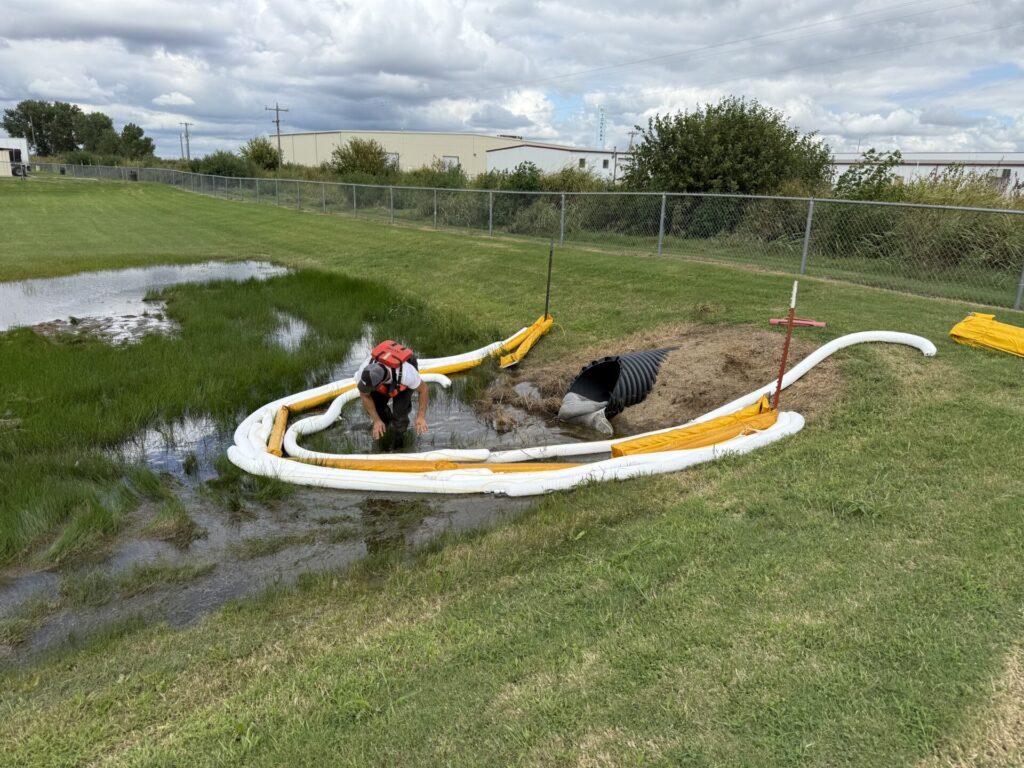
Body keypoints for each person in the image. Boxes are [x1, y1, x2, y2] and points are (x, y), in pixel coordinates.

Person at [354, 340, 429, 450]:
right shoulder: (364, 371)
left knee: (399, 415)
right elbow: (365, 396)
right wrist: (376, 420)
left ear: (380, 384)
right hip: (386, 379)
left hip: (403, 376)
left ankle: (399, 441)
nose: (367, 390)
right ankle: (384, 425)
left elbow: (424, 389)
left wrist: (421, 416)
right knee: (379, 412)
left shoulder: (406, 374)